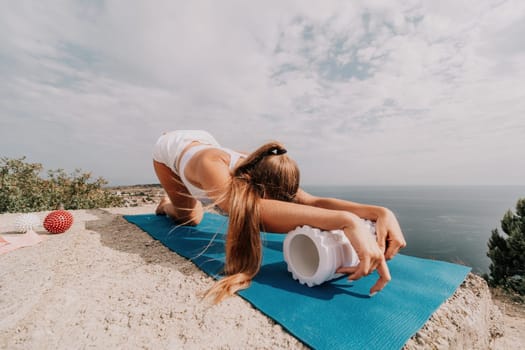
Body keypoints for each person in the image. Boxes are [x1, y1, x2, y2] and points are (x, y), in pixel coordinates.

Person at [152, 130, 406, 303]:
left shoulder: (268, 169)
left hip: (203, 140)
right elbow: (252, 211)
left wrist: (378, 212)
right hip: (169, 150)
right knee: (191, 217)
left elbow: (312, 202)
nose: (283, 206)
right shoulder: (210, 165)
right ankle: (166, 204)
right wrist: (346, 221)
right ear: (251, 183)